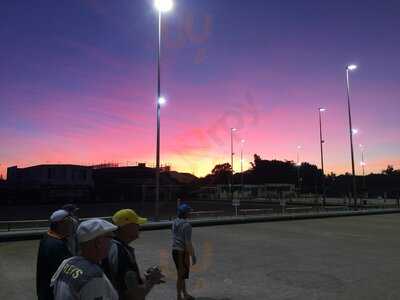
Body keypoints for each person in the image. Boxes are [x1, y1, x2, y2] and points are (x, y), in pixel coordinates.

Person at [102, 209, 165, 300]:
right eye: (136, 224)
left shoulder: (111, 245)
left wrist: (146, 280)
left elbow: (122, 283)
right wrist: (152, 281)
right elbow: (135, 296)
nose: (139, 226)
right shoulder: (121, 252)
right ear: (126, 227)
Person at [51, 218, 118, 300]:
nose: (112, 242)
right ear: (99, 242)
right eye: (110, 237)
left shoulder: (67, 262)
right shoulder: (93, 276)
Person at [36, 209, 73, 300]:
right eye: (68, 223)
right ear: (60, 224)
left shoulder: (47, 237)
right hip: (52, 293)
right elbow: (65, 273)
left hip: (44, 290)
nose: (71, 226)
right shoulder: (56, 245)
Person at [172, 204, 196, 300]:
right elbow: (188, 243)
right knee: (181, 275)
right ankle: (179, 296)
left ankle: (184, 293)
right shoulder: (187, 225)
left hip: (174, 251)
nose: (191, 213)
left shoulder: (175, 222)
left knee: (182, 274)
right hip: (181, 252)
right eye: (189, 212)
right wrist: (193, 255)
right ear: (186, 213)